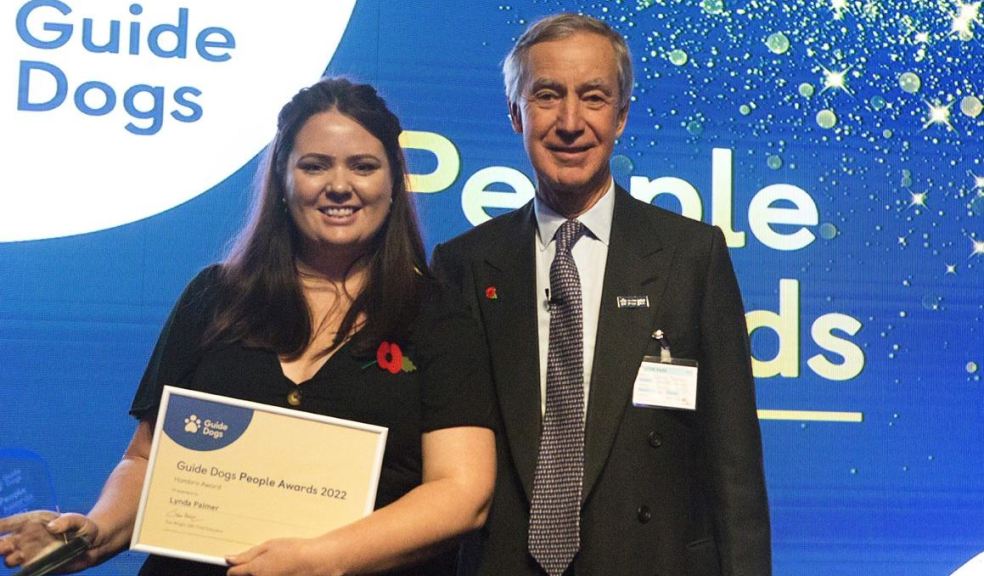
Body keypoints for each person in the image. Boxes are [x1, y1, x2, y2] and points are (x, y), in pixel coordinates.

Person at [0, 77, 496, 576]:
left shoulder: (438, 314)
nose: (339, 185)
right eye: (314, 165)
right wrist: (93, 533)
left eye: (363, 166)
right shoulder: (215, 297)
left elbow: (461, 493)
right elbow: (148, 461)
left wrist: (321, 558)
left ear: (392, 182)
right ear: (282, 179)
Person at [431, 13, 771, 576]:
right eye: (547, 95)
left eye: (593, 97)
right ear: (515, 113)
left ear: (621, 116)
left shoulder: (691, 256)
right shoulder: (464, 264)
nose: (570, 122)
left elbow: (735, 472)